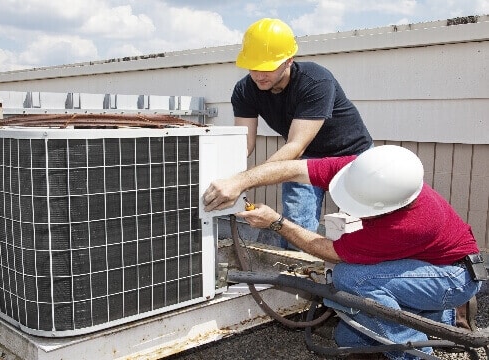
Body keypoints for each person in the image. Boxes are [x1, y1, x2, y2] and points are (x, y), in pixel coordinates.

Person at [203, 145, 485, 360]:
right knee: (348, 337)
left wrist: (277, 222)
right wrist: (239, 181)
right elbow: (292, 168)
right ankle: (448, 320)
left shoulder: (410, 224)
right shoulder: (364, 169)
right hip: (426, 264)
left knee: (352, 278)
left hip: (453, 276)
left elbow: (329, 251)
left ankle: (414, 352)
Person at [232, 18, 373, 249]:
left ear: (289, 60)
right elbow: (243, 144)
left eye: (267, 67)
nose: (259, 75)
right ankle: (299, 277)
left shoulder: (315, 80)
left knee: (360, 227)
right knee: (296, 226)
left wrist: (244, 181)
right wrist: (228, 178)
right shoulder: (245, 90)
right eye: (253, 66)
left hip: (352, 157)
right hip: (305, 160)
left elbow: (296, 145)